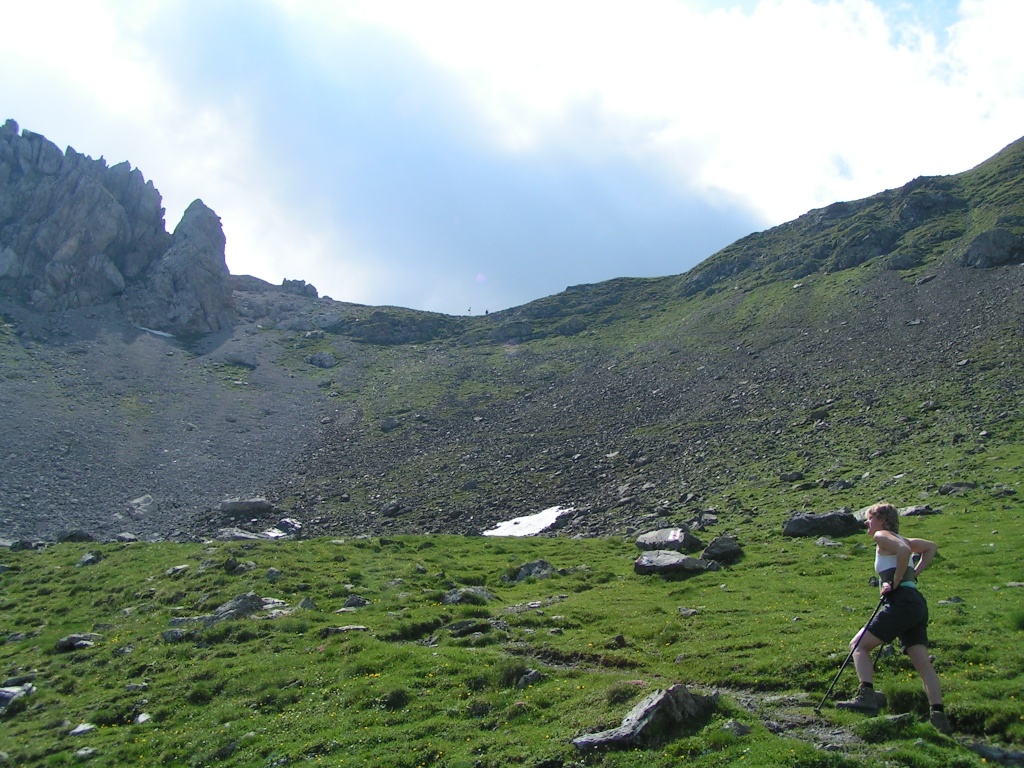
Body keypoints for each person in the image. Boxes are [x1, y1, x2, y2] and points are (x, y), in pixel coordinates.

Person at [836, 502, 951, 734]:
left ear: (882, 520)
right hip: (916, 603)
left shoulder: (882, 536)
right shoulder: (902, 538)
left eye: (870, 518)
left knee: (858, 645)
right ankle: (938, 716)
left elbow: (905, 551)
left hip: (900, 601)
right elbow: (930, 547)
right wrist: (912, 575)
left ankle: (866, 697)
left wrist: (895, 581)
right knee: (922, 663)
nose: (867, 523)